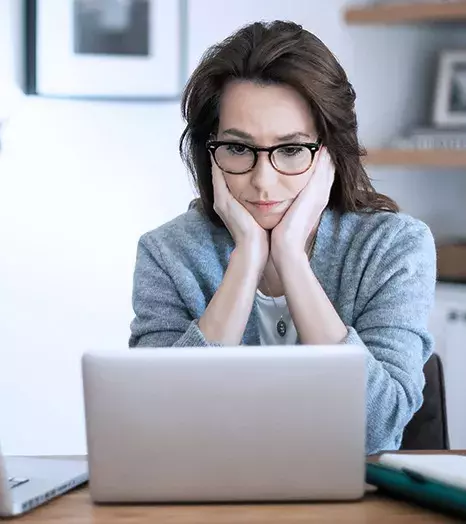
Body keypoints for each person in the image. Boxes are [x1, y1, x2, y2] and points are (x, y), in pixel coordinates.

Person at [128, 21, 436, 454]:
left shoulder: (393, 247)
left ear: (329, 152)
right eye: (238, 149)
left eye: (291, 150)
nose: (263, 182)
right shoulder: (167, 254)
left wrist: (291, 258)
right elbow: (161, 429)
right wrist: (246, 260)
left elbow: (376, 430)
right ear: (208, 150)